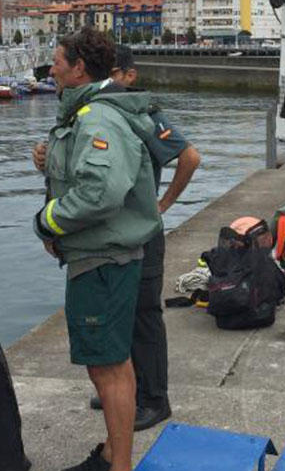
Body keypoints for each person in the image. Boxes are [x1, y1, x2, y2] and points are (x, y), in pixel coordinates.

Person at [32, 45, 200, 431]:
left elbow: (190, 157)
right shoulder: (87, 111)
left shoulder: (133, 113)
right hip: (122, 229)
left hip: (135, 231)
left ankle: (153, 398)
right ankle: (124, 390)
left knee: (143, 316)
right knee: (121, 319)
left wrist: (163, 206)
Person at [32, 28, 161, 471]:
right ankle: (113, 453)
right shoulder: (93, 115)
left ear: (79, 68)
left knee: (107, 369)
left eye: (57, 61)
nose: (52, 69)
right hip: (107, 257)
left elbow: (102, 192)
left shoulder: (97, 118)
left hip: (103, 261)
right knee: (113, 364)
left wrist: (46, 222)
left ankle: (119, 466)